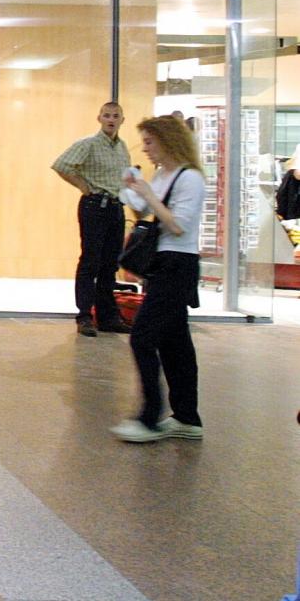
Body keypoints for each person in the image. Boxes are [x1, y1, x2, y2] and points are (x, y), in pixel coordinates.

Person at [111, 116, 206, 443]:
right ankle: (186, 417)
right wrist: (134, 191)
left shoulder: (190, 178)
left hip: (178, 264)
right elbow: (150, 216)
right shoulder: (163, 175)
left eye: (150, 142)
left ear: (168, 140)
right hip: (162, 262)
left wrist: (149, 196)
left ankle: (151, 416)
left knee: (143, 336)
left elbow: (178, 225)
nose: (146, 149)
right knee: (175, 342)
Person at [52, 101, 134, 337]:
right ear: (99, 118)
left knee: (110, 263)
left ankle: (107, 316)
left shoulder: (122, 147)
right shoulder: (88, 144)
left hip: (115, 207)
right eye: (106, 115)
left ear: (122, 120)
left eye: (115, 116)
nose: (111, 119)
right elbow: (61, 164)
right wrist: (83, 186)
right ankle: (85, 315)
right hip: (94, 206)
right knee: (90, 260)